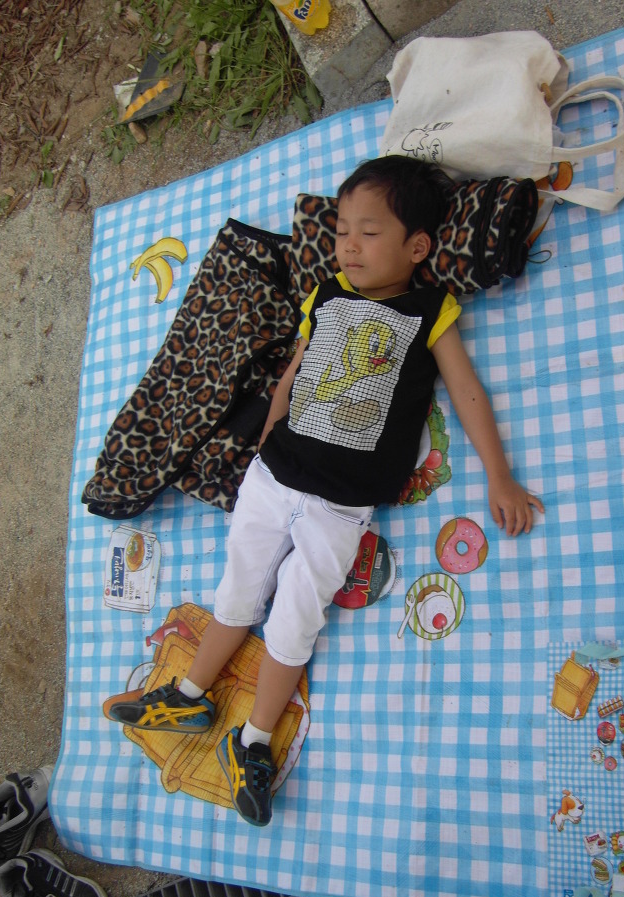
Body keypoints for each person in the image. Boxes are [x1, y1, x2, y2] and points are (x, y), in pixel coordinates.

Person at [104, 156, 544, 827]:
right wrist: (265, 437)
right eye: (341, 232)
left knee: (296, 616)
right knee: (238, 590)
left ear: (417, 248)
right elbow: (294, 372)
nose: (348, 246)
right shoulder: (326, 295)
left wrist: (499, 472)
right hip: (273, 475)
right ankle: (188, 693)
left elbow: (466, 390)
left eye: (369, 232)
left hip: (342, 503)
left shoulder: (429, 309)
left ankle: (254, 742)